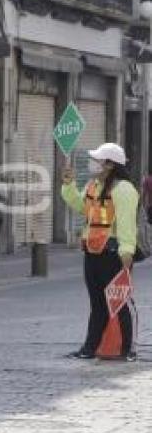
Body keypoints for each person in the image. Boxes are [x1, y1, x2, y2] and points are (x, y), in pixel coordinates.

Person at [61, 142, 138, 361]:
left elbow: (126, 223)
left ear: (111, 165)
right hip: (92, 252)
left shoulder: (124, 190)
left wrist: (127, 251)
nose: (94, 163)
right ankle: (89, 348)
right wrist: (68, 185)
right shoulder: (93, 186)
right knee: (97, 303)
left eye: (98, 160)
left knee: (118, 302)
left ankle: (125, 350)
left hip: (113, 253)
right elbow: (81, 206)